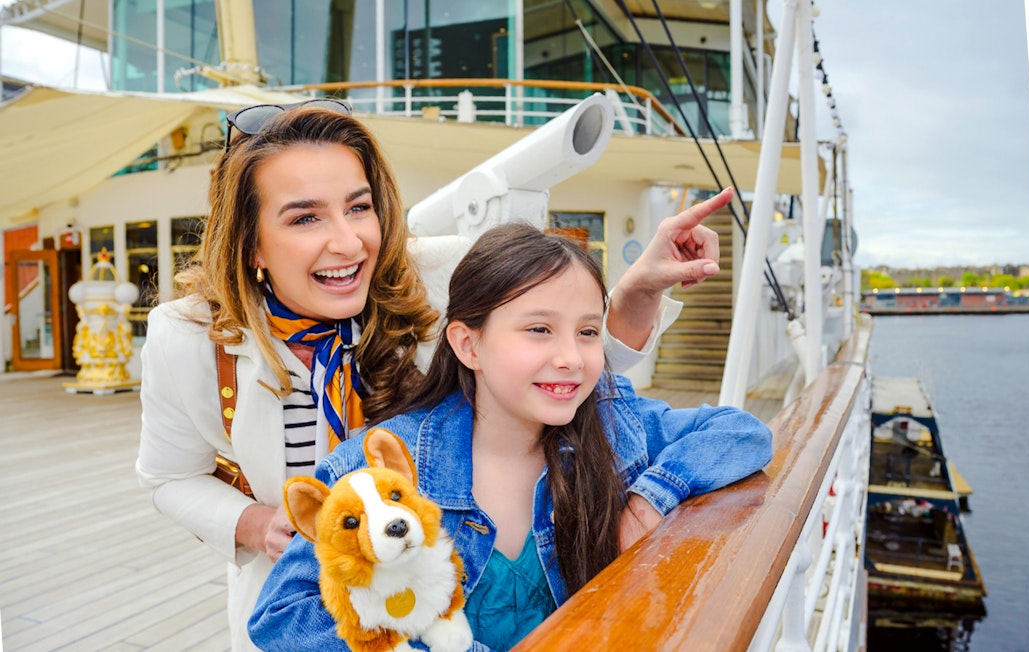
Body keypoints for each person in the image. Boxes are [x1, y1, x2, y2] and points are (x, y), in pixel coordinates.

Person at [135, 98, 735, 651]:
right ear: (251, 245)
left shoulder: (435, 276)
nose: (347, 242)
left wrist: (637, 291)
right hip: (318, 600)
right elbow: (168, 478)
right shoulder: (186, 338)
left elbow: (552, 358)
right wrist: (257, 524)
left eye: (359, 207)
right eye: (304, 219)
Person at [249, 223, 773, 651]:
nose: (571, 357)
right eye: (539, 329)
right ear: (468, 345)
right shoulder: (386, 467)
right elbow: (283, 613)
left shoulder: (611, 422)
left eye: (588, 331)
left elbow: (740, 432)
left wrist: (649, 500)